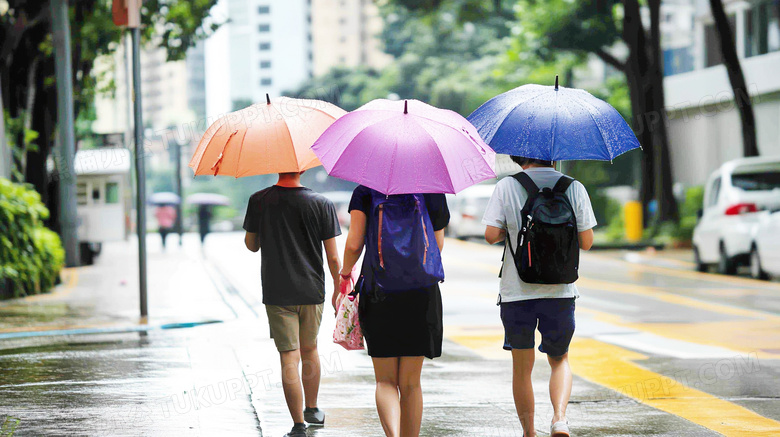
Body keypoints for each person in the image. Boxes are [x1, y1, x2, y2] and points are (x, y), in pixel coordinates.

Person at [482, 157, 595, 437]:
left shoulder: (507, 186)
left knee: (522, 368)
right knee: (560, 360)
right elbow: (587, 241)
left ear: (520, 155)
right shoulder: (574, 187)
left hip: (516, 291)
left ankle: (529, 432)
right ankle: (559, 419)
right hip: (560, 290)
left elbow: (490, 234)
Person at [339, 185, 449, 437]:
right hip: (422, 292)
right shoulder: (432, 188)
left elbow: (354, 244)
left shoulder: (365, 190)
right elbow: (437, 244)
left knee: (385, 381)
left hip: (379, 291)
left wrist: (345, 274)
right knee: (411, 383)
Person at [243, 171, 342, 437]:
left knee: (289, 355)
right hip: (311, 289)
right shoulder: (321, 203)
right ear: (303, 169)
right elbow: (333, 257)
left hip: (277, 292)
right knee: (310, 349)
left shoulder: (259, 200)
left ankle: (298, 425)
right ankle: (312, 408)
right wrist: (338, 288)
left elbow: (251, 245)